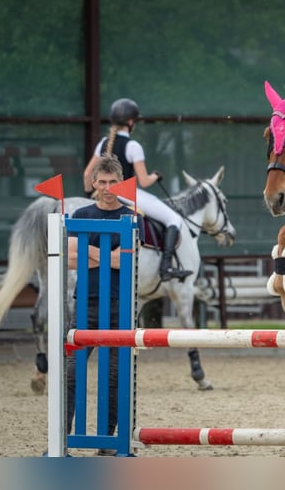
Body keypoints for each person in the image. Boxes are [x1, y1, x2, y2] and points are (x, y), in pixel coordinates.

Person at [66, 155, 145, 455]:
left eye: (113, 182)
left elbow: (127, 262)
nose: (108, 187)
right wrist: (109, 255)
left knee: (114, 376)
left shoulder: (133, 216)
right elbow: (71, 259)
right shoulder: (81, 213)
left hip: (119, 307)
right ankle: (62, 439)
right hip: (83, 306)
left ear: (121, 182)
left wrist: (90, 251)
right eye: (102, 182)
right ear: (94, 183)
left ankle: (109, 443)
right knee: (71, 373)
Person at [83, 98, 192, 281]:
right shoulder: (133, 146)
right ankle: (166, 268)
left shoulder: (102, 143)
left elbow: (87, 174)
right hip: (126, 194)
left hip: (101, 194)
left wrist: (90, 197)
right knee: (174, 218)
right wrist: (155, 176)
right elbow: (144, 181)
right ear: (131, 122)